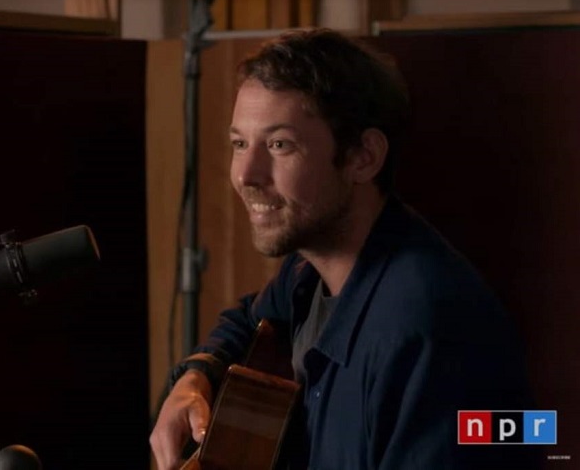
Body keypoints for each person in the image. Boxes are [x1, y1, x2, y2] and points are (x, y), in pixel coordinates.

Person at [150, 28, 538, 470]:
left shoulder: (429, 331)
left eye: (279, 145)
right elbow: (246, 320)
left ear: (363, 157)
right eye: (240, 143)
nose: (246, 175)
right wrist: (199, 373)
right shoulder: (308, 270)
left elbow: (518, 433)